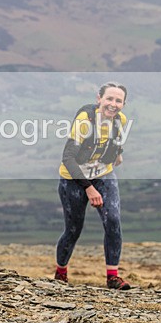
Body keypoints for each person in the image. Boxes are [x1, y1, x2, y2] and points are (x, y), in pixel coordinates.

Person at [55, 82, 131, 290]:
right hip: (74, 179)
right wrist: (89, 188)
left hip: (104, 176)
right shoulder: (84, 122)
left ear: (123, 104)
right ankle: (60, 273)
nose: (113, 104)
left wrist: (118, 154)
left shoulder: (121, 121)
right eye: (109, 99)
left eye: (118, 101)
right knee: (73, 230)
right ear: (99, 99)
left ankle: (113, 277)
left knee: (113, 220)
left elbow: (116, 141)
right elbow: (68, 158)